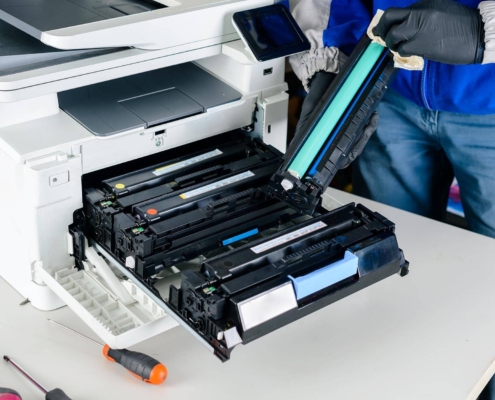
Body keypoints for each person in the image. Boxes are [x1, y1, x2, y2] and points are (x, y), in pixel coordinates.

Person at [289, 0, 495, 239]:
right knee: (386, 239)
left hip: (489, 99)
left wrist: (484, 33)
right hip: (388, 89)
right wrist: (327, 60)